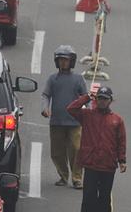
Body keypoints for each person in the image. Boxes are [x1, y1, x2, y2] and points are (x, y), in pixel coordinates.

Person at [66, 86, 126, 212]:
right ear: (96, 99)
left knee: (104, 200)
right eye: (100, 98)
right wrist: (87, 97)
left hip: (108, 165)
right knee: (88, 199)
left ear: (110, 100)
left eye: (105, 99)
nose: (102, 101)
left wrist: (122, 160)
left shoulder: (117, 120)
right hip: (91, 165)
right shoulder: (87, 115)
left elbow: (121, 141)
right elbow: (71, 109)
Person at [41, 46, 86, 188]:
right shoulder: (52, 79)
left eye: (66, 60)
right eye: (60, 60)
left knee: (77, 149)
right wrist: (45, 108)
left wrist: (88, 114)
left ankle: (77, 178)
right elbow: (46, 95)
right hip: (57, 122)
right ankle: (63, 175)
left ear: (71, 62)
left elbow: (85, 97)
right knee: (57, 151)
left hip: (75, 122)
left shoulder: (78, 79)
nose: (63, 63)